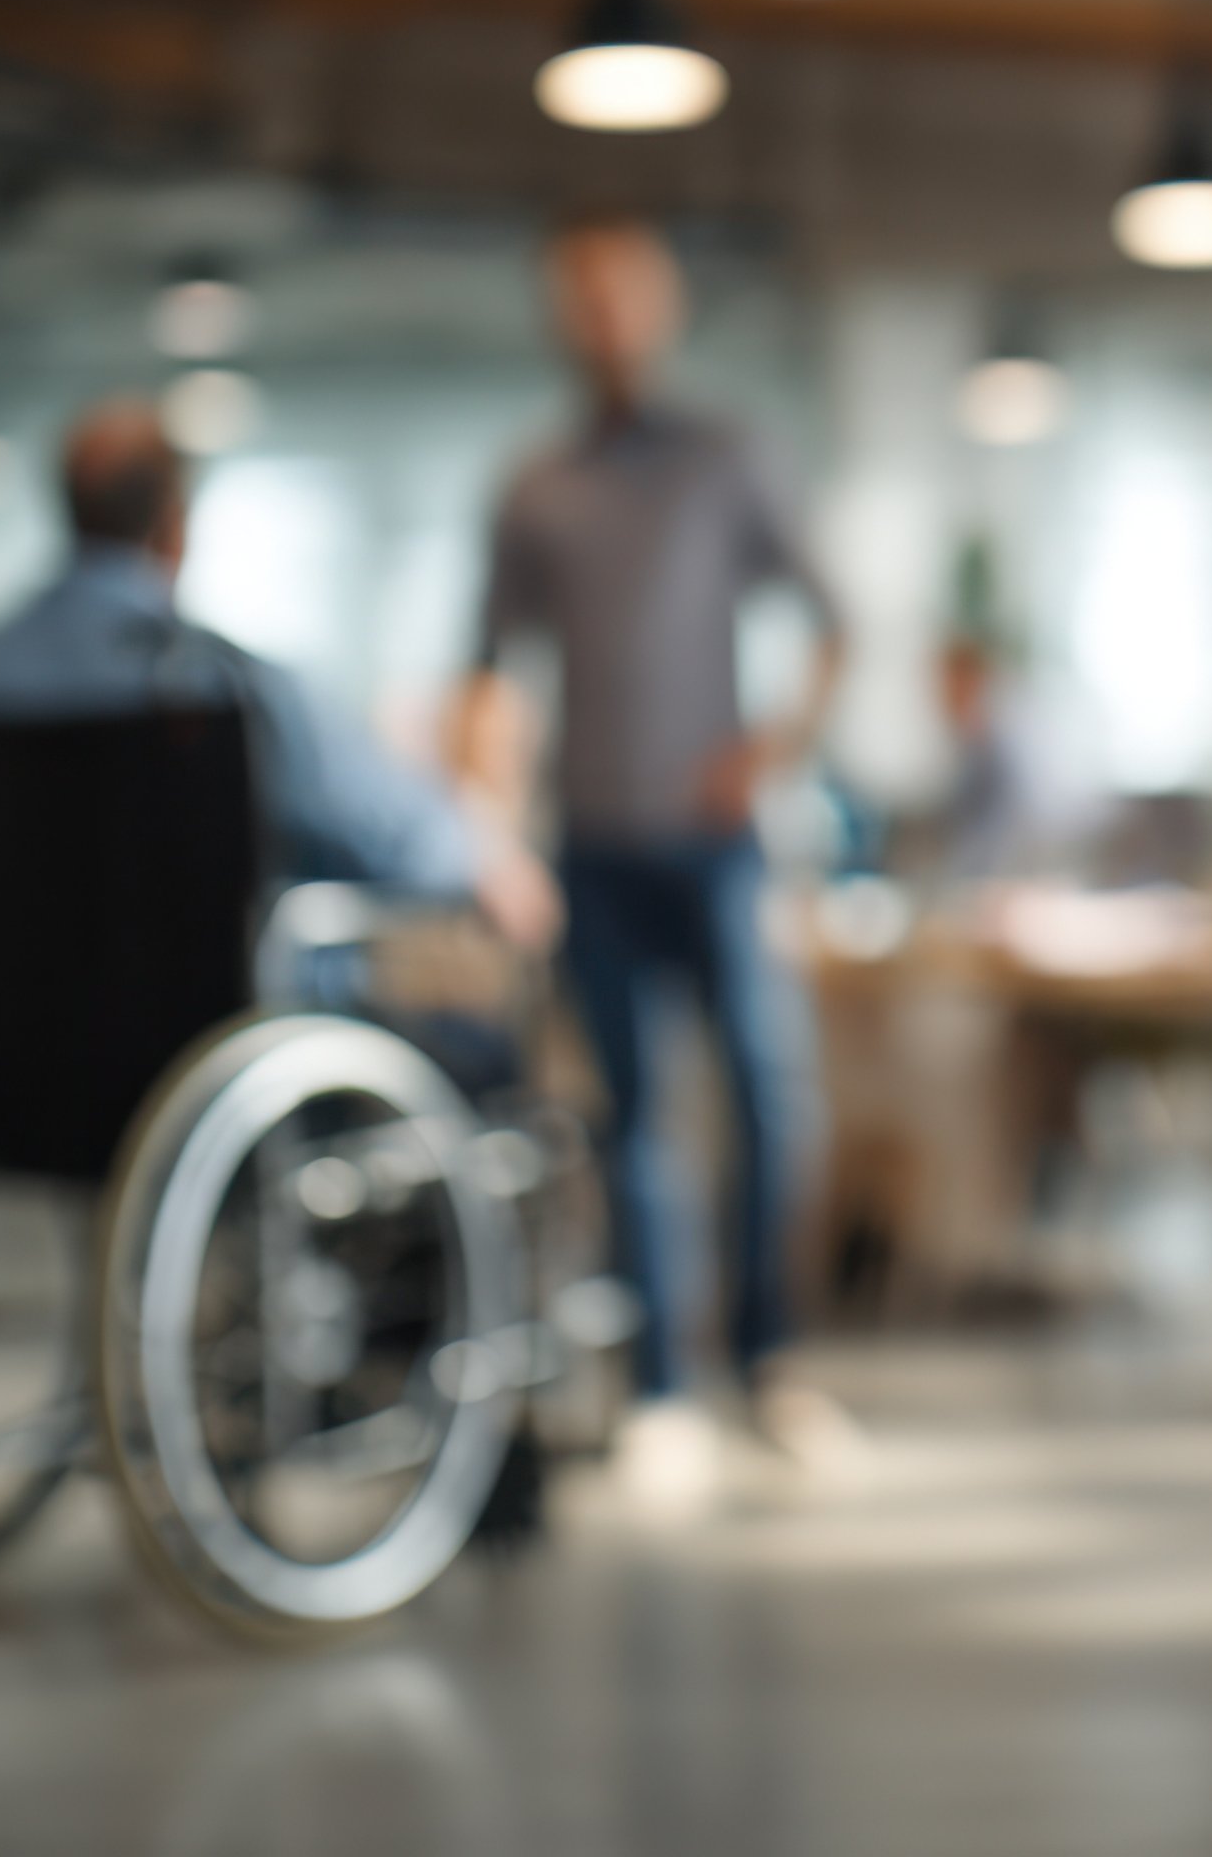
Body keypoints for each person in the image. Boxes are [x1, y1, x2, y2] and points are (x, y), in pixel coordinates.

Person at [463, 216, 848, 1491]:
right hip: (594, 847)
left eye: (625, 299)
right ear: (559, 320)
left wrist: (770, 750)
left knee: (764, 1093)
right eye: (583, 301)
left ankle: (771, 1361)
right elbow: (489, 675)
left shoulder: (727, 458)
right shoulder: (534, 485)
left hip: (716, 843)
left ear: (664, 309)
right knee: (634, 1121)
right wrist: (488, 817)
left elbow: (833, 621)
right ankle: (664, 1393)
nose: (606, 323)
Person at [0, 399, 561, 1004]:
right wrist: (484, 859)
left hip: (13, 1054)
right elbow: (381, 826)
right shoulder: (228, 691)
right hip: (207, 1050)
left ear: (68, 511)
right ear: (175, 529)